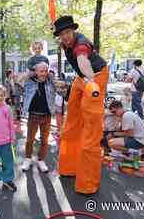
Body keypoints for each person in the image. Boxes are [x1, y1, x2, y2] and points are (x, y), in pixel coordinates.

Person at [54, 15, 108, 194]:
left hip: (95, 77)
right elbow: (80, 68)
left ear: (74, 31)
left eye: (68, 32)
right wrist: (84, 79)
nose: (66, 36)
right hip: (81, 79)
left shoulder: (81, 44)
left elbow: (83, 61)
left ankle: (88, 183)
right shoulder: (64, 42)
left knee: (91, 131)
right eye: (62, 34)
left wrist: (91, 81)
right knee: (71, 124)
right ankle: (69, 167)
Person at [21, 62, 55, 173]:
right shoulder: (30, 82)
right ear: (36, 71)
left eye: (46, 71)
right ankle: (28, 158)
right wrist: (29, 74)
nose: (44, 73)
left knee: (44, 140)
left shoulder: (50, 82)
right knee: (30, 139)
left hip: (47, 116)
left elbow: (62, 90)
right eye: (41, 71)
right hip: (33, 115)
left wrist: (53, 77)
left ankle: (41, 159)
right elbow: (18, 81)